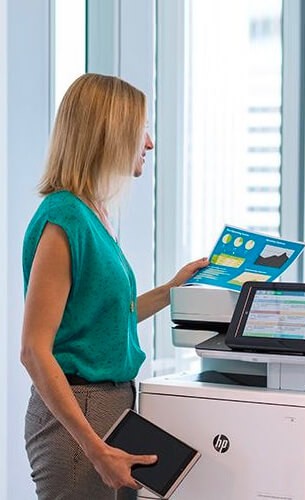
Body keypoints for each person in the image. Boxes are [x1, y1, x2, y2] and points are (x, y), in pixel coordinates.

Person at [20, 73, 208, 499]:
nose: (149, 142)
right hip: (79, 417)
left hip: (109, 408)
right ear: (109, 133)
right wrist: (95, 449)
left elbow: (102, 318)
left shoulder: (93, 212)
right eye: (142, 129)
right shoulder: (63, 218)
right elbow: (34, 350)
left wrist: (171, 289)